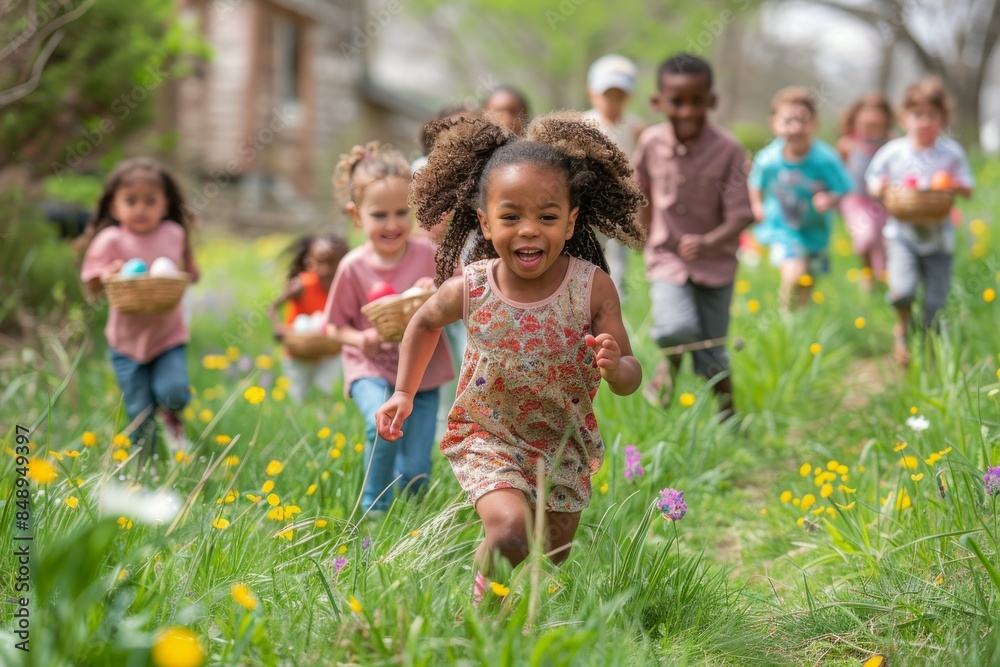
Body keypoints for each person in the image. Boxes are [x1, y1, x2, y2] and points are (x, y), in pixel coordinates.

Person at [374, 113, 645, 604]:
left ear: (571, 220)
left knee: (551, 550)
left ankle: (515, 598)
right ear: (485, 221)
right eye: (511, 216)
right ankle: (479, 616)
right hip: (488, 433)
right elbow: (425, 322)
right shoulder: (473, 286)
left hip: (563, 440)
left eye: (546, 216)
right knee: (510, 532)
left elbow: (629, 376)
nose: (529, 231)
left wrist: (614, 365)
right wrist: (403, 391)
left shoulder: (592, 288)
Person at [323, 141, 454, 515]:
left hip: (424, 374)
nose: (393, 224)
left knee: (416, 467)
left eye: (401, 212)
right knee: (380, 423)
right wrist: (358, 338)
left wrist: (441, 292)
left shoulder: (428, 253)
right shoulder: (353, 267)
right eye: (379, 215)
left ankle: (413, 515)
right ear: (356, 215)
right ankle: (373, 508)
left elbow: (464, 293)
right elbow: (333, 327)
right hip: (373, 368)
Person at [633, 53, 754, 417]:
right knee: (677, 326)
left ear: (711, 101)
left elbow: (742, 213)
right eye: (676, 101)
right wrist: (642, 233)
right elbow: (640, 192)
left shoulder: (728, 149)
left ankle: (729, 422)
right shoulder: (651, 143)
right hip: (668, 258)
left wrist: (710, 241)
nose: (686, 110)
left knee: (712, 354)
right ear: (658, 102)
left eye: (696, 101)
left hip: (715, 264)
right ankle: (667, 364)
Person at [79, 157, 200, 462]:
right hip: (126, 342)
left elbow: (190, 270)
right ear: (113, 207)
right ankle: (145, 467)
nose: (141, 208)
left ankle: (173, 417)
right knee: (139, 410)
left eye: (151, 200)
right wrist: (108, 273)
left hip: (167, 335)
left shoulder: (173, 233)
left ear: (165, 203)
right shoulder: (110, 239)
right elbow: (92, 281)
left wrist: (180, 275)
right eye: (130, 201)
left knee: (173, 392)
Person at [865, 77, 974, 367]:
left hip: (939, 240)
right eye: (917, 115)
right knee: (902, 291)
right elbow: (874, 178)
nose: (924, 122)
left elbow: (967, 185)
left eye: (932, 115)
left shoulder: (951, 153)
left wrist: (957, 186)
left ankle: (927, 352)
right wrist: (880, 187)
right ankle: (902, 327)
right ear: (904, 118)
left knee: (935, 305)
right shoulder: (894, 151)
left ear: (943, 119)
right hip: (902, 236)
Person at [749, 87, 853, 310]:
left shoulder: (825, 160)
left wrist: (829, 199)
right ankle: (785, 317)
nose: (795, 127)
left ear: (814, 123)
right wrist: (757, 206)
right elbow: (755, 183)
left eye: (802, 121)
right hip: (783, 228)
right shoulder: (768, 159)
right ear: (774, 124)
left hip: (815, 231)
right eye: (787, 121)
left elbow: (844, 187)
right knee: (794, 272)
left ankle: (798, 324)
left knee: (807, 281)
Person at [583, 54, 646, 296]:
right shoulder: (585, 124)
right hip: (592, 205)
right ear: (592, 93)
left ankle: (615, 300)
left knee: (618, 258)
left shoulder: (635, 127)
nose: (613, 101)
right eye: (607, 95)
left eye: (619, 95)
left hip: (621, 205)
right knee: (592, 252)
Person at [269, 233, 349, 404]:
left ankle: (324, 413)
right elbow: (272, 306)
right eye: (321, 262)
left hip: (327, 349)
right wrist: (278, 329)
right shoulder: (302, 285)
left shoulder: (344, 289)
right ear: (310, 263)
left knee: (326, 388)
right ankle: (296, 417)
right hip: (299, 348)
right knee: (297, 392)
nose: (326, 269)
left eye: (333, 263)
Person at [836, 92, 894, 289]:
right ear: (856, 122)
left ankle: (879, 283)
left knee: (884, 243)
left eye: (877, 125)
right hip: (856, 201)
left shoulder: (893, 144)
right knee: (866, 238)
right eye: (867, 125)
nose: (871, 130)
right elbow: (837, 174)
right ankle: (866, 271)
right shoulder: (847, 145)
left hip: (885, 202)